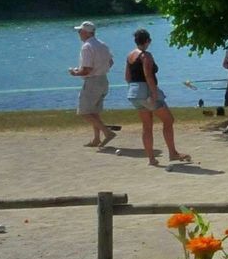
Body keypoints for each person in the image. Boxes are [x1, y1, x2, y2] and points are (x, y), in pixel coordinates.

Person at [124, 29, 190, 166]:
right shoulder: (146, 56)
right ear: (147, 41)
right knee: (168, 120)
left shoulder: (130, 55)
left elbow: (127, 77)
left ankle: (151, 159)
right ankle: (173, 153)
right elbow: (148, 75)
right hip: (146, 91)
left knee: (147, 125)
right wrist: (154, 93)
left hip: (133, 92)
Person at [70, 21, 118, 148]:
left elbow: (87, 69)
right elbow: (111, 62)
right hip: (103, 79)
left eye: (80, 31)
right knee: (94, 111)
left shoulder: (87, 46)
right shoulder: (102, 44)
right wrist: (100, 68)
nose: (79, 33)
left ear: (86, 32)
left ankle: (107, 132)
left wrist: (75, 72)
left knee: (84, 112)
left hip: (92, 81)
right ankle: (96, 139)